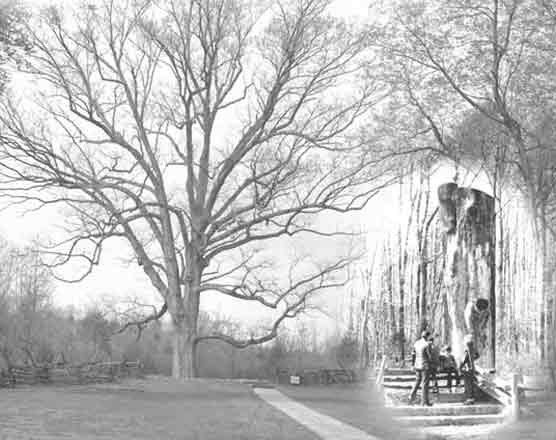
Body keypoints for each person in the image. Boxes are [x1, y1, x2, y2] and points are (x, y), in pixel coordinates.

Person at [409, 330, 432, 406]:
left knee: (417, 381)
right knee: (425, 384)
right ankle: (424, 402)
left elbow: (413, 354)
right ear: (427, 336)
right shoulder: (427, 344)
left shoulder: (416, 343)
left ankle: (411, 396)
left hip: (417, 365)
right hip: (425, 366)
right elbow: (429, 356)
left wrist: (413, 364)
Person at [460, 334, 478, 405]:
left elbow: (464, 359)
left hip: (467, 368)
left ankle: (469, 399)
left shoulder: (467, 348)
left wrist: (460, 367)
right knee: (471, 383)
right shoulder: (473, 347)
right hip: (472, 367)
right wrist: (473, 360)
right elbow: (477, 355)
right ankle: (472, 398)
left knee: (468, 384)